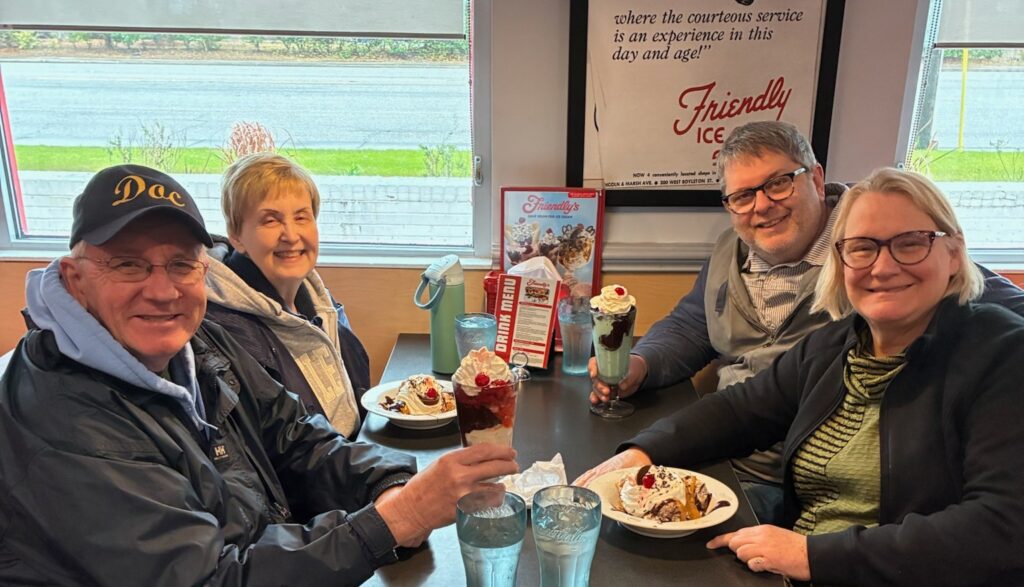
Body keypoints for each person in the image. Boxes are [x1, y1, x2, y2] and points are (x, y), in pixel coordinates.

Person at [0, 164, 518, 586]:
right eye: (128, 265)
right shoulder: (64, 420)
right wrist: (395, 519)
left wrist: (392, 483)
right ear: (75, 278)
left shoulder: (196, 342)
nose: (162, 291)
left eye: (180, 264)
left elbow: (296, 436)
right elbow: (209, 578)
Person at [577, 168, 1024, 586]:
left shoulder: (1001, 353)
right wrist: (642, 452)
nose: (883, 267)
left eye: (910, 243)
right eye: (862, 247)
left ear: (954, 253)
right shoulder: (839, 344)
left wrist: (811, 555)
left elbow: (1002, 527)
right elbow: (741, 410)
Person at [204, 153, 367, 438]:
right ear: (236, 236)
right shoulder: (229, 334)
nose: (291, 236)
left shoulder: (318, 301)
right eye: (271, 220)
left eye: (301, 217)